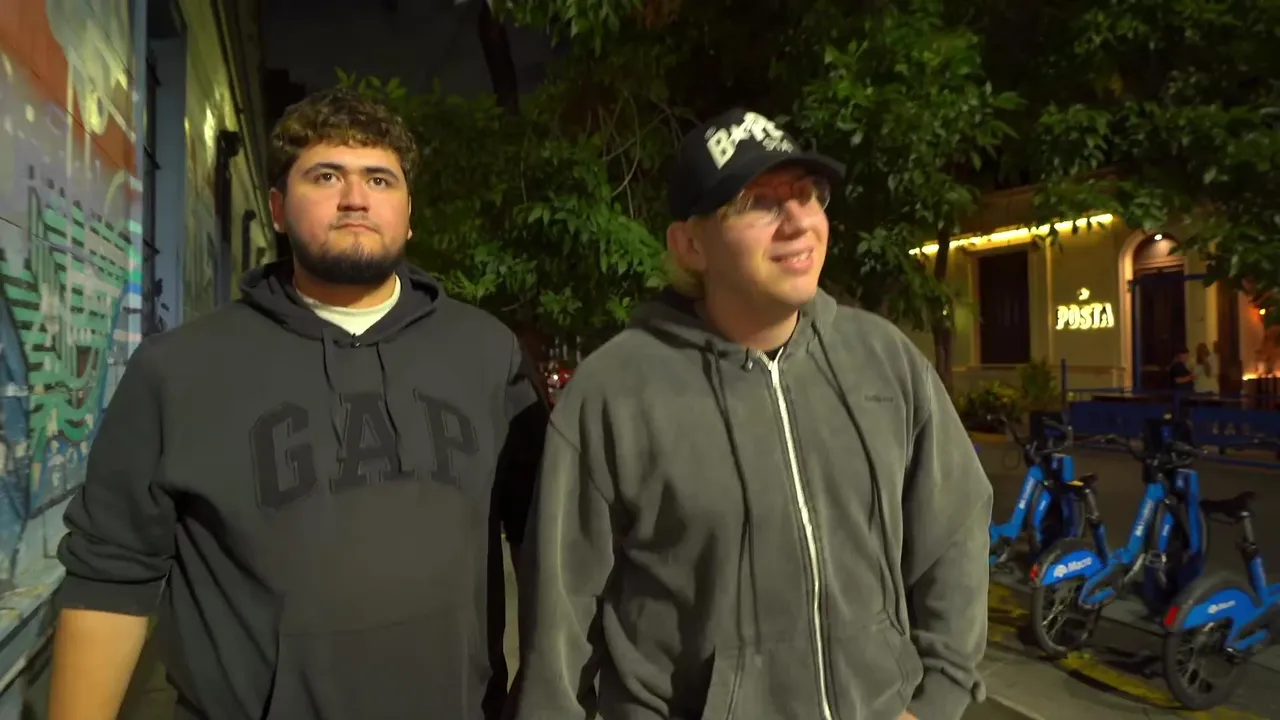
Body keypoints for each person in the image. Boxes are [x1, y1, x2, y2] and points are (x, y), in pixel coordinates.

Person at [49, 88, 546, 720]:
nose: (355, 197)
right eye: (326, 176)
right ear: (279, 209)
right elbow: (110, 576)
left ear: (409, 214)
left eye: (380, 179)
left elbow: (544, 542)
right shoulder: (179, 370)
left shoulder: (487, 354)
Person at [511, 108, 993, 720]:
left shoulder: (882, 359)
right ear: (691, 245)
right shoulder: (615, 390)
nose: (798, 222)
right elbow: (561, 616)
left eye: (807, 195)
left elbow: (955, 529)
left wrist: (938, 696)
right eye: (758, 203)